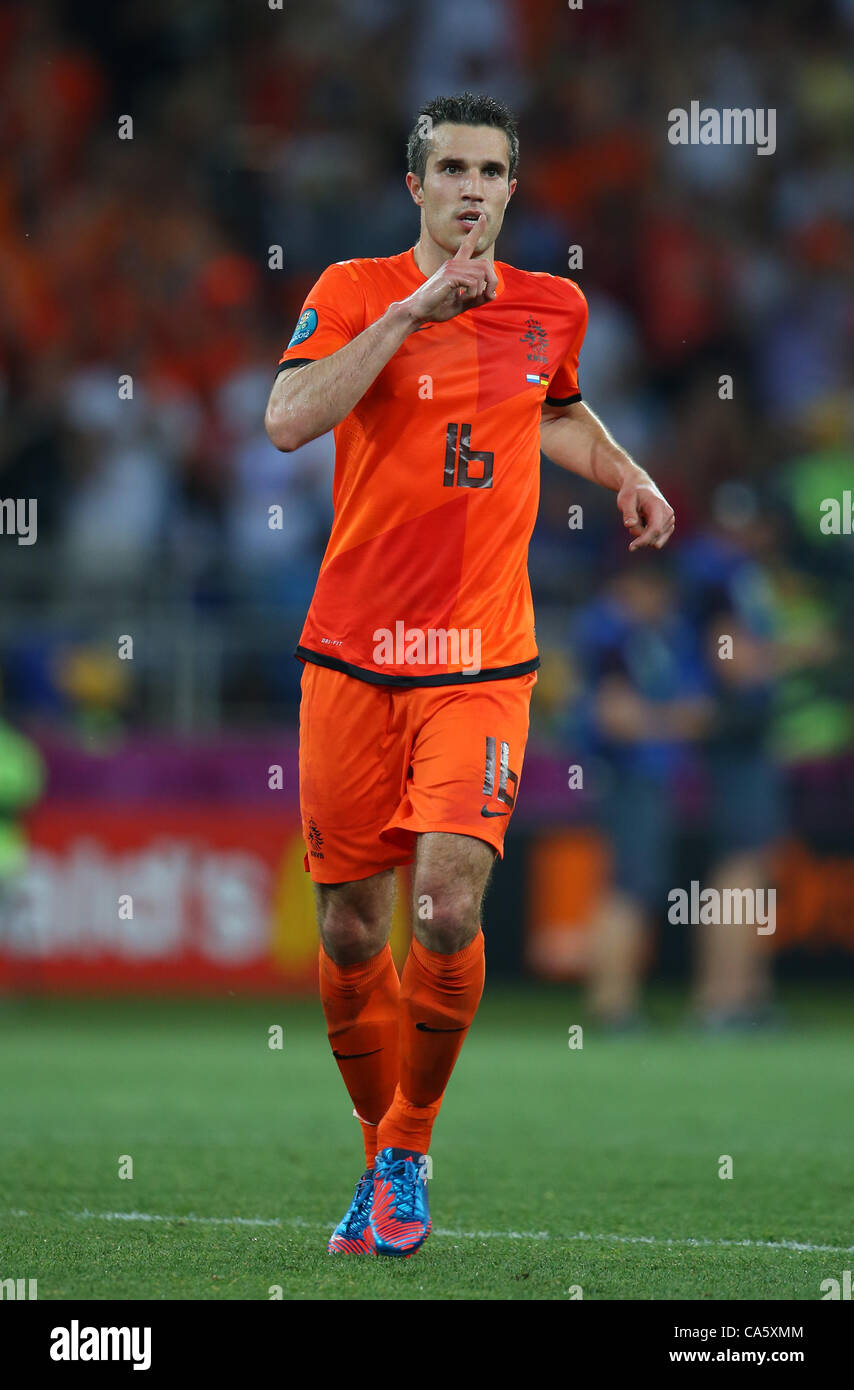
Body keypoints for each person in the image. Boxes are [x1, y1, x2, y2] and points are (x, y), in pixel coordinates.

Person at [264, 92, 675, 1258]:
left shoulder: (553, 307)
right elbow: (289, 418)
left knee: (445, 904)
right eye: (448, 167)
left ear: (509, 186)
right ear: (415, 187)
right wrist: (408, 313)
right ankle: (376, 1152)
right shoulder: (350, 291)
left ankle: (407, 1146)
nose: (470, 188)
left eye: (489, 170)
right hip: (350, 655)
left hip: (480, 660)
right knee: (350, 932)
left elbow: (554, 409)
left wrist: (625, 470)